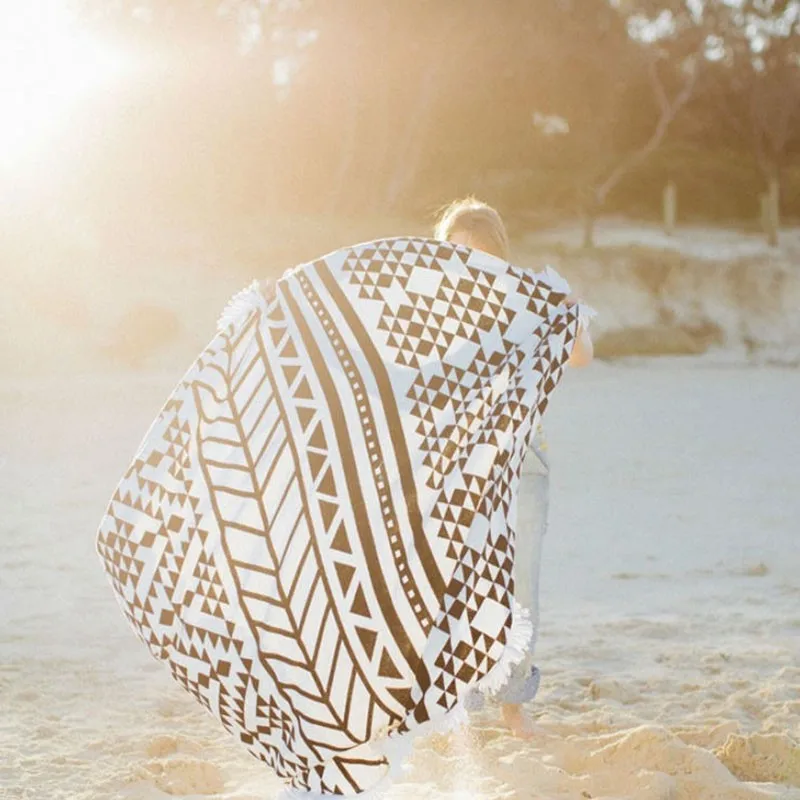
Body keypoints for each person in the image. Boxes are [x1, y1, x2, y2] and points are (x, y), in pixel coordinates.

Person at [433, 197, 593, 738]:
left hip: (523, 464)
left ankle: (513, 704)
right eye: (455, 249)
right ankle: (460, 704)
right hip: (457, 465)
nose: (466, 261)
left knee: (519, 588)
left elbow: (580, 355)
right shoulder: (431, 308)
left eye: (475, 250)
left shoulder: (532, 298)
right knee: (459, 587)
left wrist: (570, 311)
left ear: (498, 251)